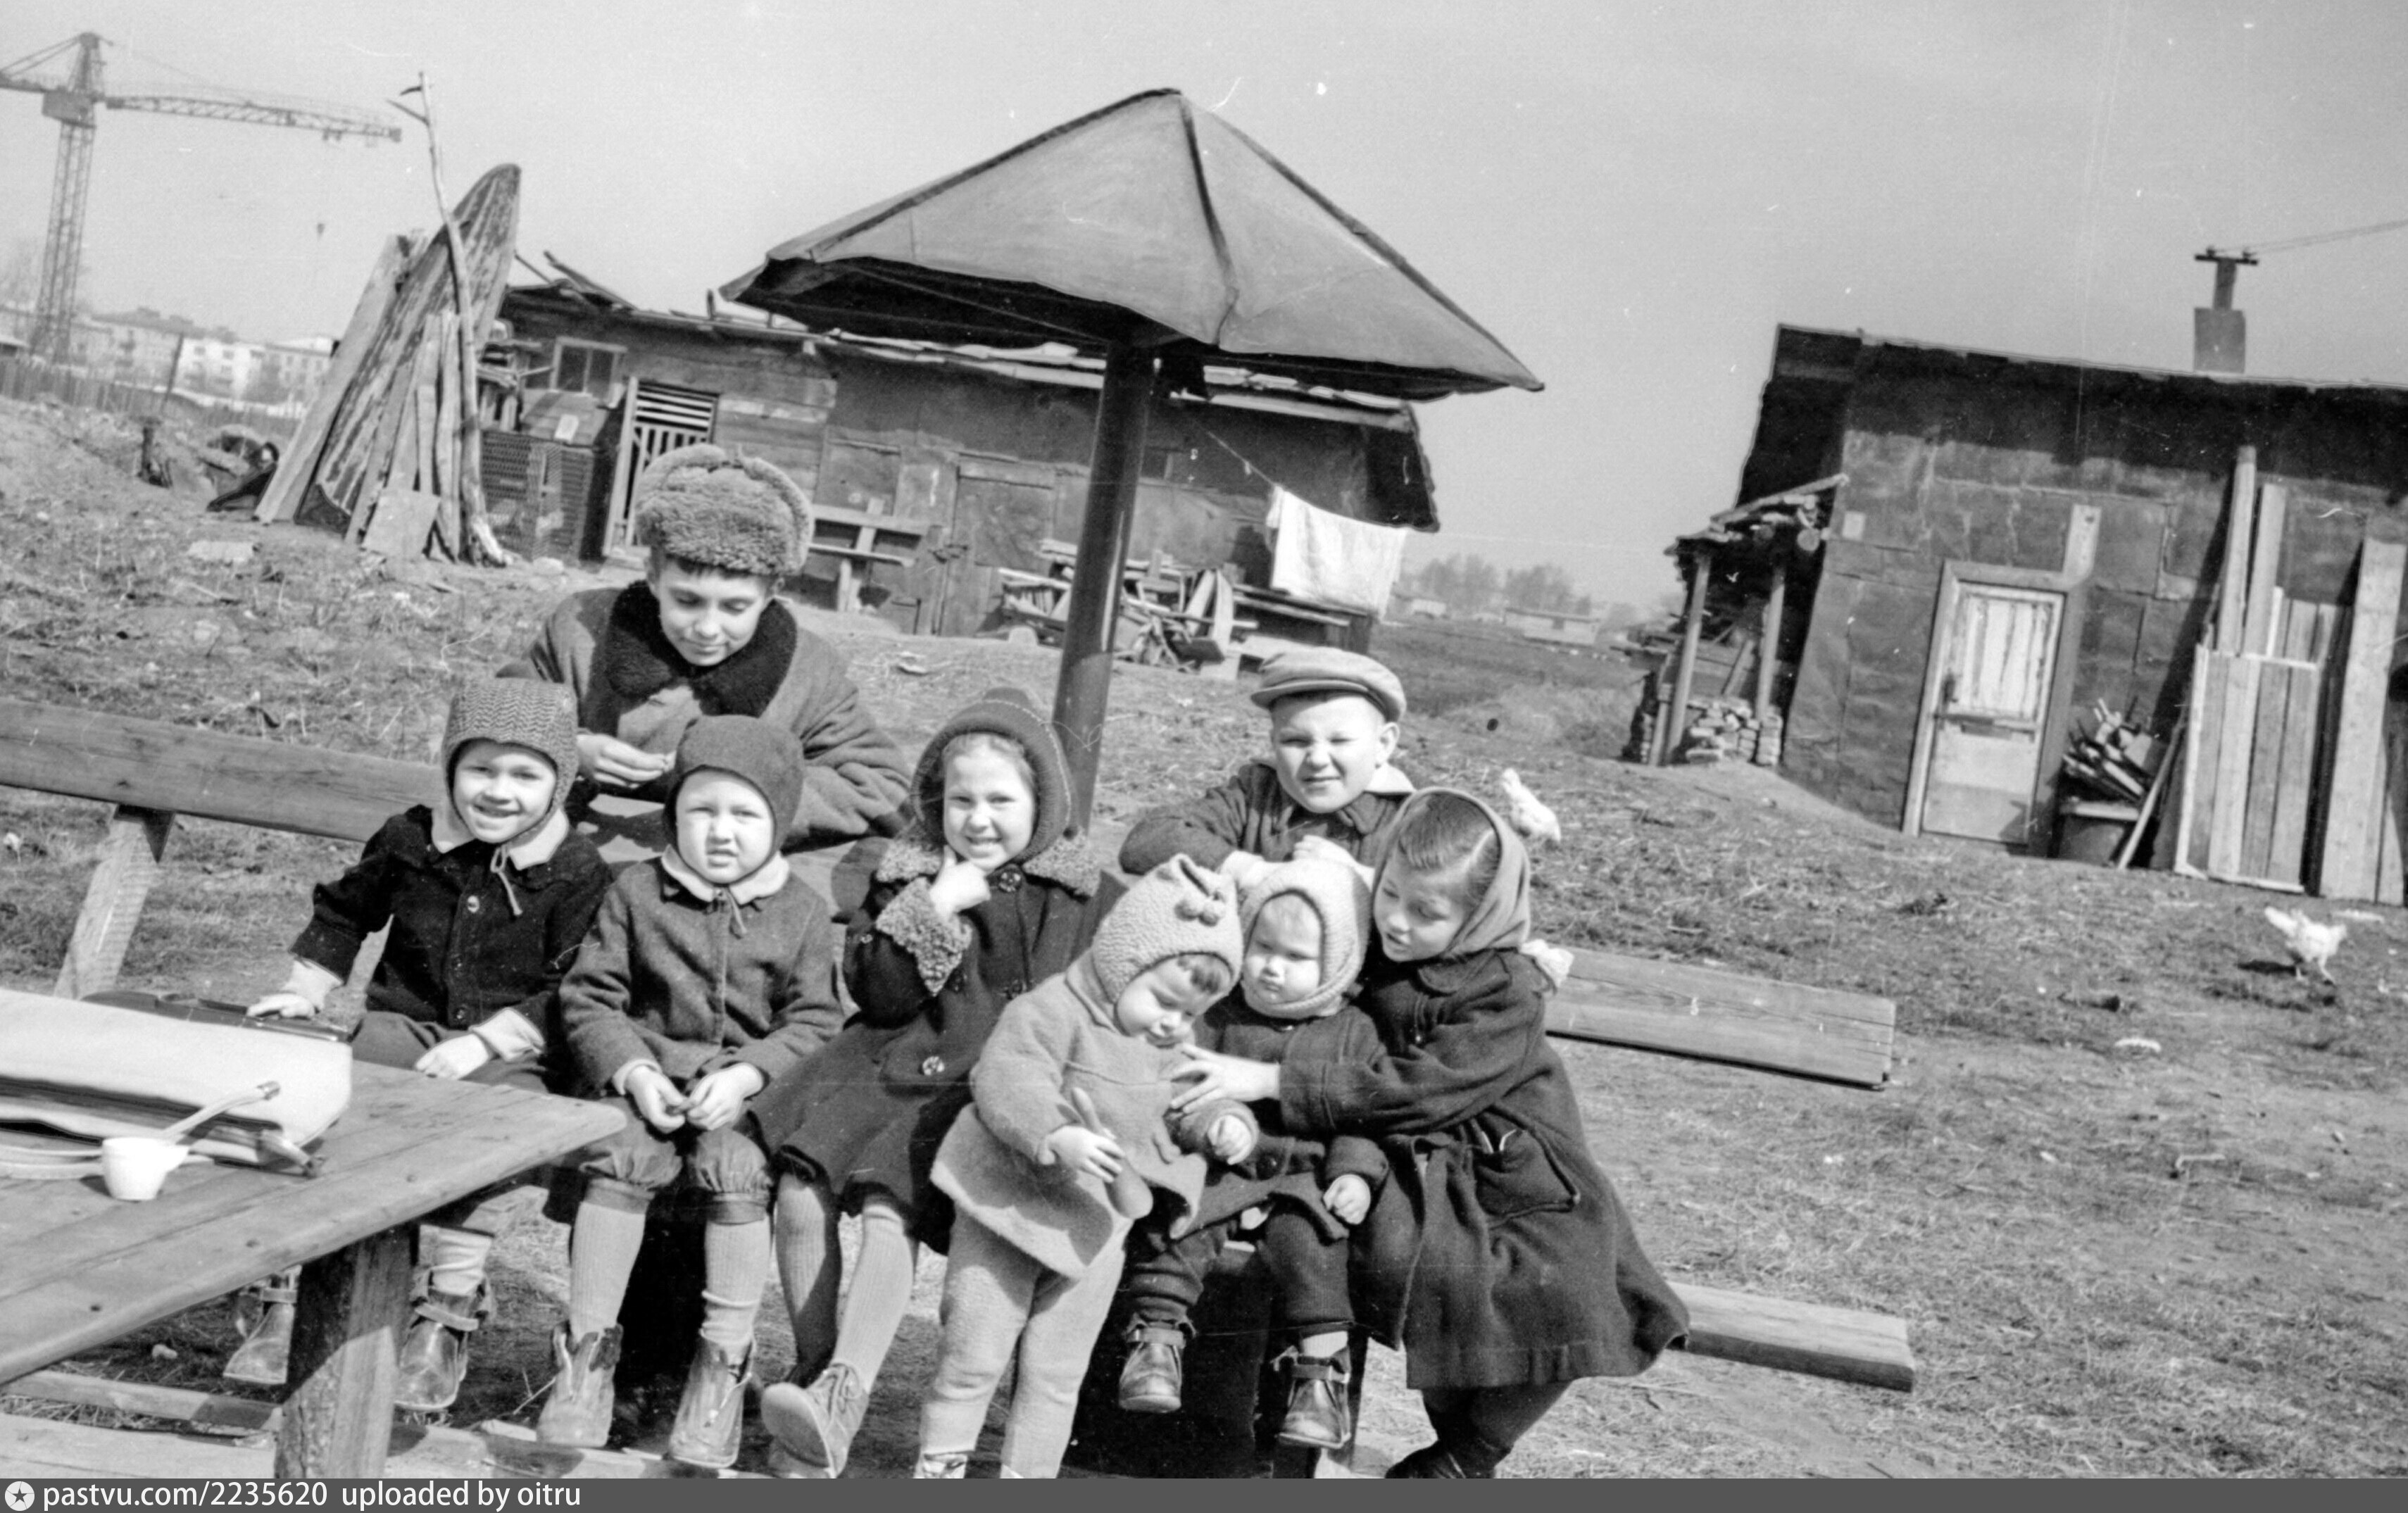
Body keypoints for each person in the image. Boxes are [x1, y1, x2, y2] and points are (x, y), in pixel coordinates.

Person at [1171, 789, 1691, 1478]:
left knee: (1576, 1288)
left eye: (1427, 912)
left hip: (1515, 1165)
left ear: (1478, 916)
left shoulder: (1505, 990)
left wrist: (1273, 1080)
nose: (1398, 920)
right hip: (1413, 1159)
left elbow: (1419, 1088)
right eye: (1390, 894)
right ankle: (1456, 1457)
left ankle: (1470, 1453)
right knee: (1420, 1267)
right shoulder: (1378, 941)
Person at [746, 686, 1120, 1478]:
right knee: (801, 1188)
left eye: (1001, 800)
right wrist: (934, 908)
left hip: (988, 1085)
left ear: (1044, 802)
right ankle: (815, 1371)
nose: (978, 820)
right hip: (894, 1059)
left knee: (890, 1204)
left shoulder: (1080, 893)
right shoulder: (912, 874)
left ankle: (842, 1397)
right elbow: (879, 994)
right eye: (961, 800)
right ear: (935, 801)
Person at [237, 677, 614, 1414]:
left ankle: (447, 1307)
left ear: (561, 782)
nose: (499, 791)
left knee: (497, 1131)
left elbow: (575, 983)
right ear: (449, 768)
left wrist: (486, 1042)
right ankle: (292, 1284)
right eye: (480, 769)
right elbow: (345, 913)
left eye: (526, 775)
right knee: (333, 1097)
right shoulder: (412, 839)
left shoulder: (575, 870)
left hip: (512, 1048)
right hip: (403, 1027)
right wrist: (306, 987)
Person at [538, 715, 846, 1469]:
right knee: (617, 1153)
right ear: (674, 812)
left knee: (737, 1168)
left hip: (739, 1101)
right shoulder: (639, 891)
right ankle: (586, 1359)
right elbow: (591, 997)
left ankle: (722, 1367)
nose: (721, 831)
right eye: (701, 809)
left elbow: (816, 1019)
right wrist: (633, 1071)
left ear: (778, 821)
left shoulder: (801, 910)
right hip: (647, 1089)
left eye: (745, 814)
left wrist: (748, 1075)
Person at [913, 857, 1246, 1479]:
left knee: (1057, 1374)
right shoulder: (1052, 1009)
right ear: (1122, 963)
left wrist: (1222, 1121)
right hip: (1006, 1210)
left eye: (1190, 1012)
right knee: (971, 1356)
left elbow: (1192, 1099)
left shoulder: (1168, 1043)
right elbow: (1010, 1076)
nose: (1173, 1023)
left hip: (1094, 1229)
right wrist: (1056, 1133)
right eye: (1163, 1001)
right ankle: (940, 1470)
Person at [503, 443, 909, 861]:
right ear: (653, 577)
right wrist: (567, 748)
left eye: (735, 607)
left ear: (771, 593)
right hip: (574, 854)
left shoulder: (808, 672)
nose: (708, 629)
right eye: (687, 601)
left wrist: (746, 797)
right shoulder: (581, 630)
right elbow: (502, 713)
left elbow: (881, 786)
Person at [1114, 857, 1387, 1455]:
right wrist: (1214, 1121)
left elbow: (1362, 1115)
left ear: (1339, 961)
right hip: (1224, 1165)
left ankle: (1320, 1378)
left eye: (1296, 956)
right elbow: (1183, 1081)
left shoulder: (1355, 1031)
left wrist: (1355, 1175)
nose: (1271, 966)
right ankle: (1155, 1339)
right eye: (1262, 946)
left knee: (1315, 1246)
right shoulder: (1220, 1012)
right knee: (1181, 1221)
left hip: (1304, 1179)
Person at [1117, 647, 1413, 886]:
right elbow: (1148, 839)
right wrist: (1254, 873)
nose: (1317, 759)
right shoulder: (1256, 793)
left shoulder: (1411, 816)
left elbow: (1437, 899)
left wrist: (1360, 878)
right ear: (1273, 742)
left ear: (1383, 744)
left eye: (1340, 741)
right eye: (1296, 741)